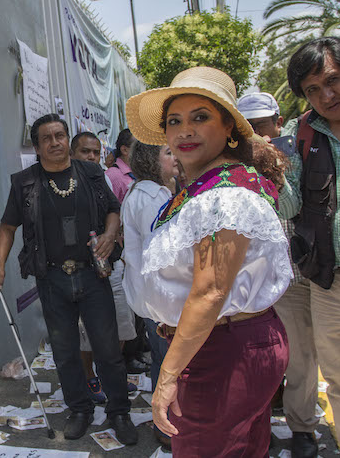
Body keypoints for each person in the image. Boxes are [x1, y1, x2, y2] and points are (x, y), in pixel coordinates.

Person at [125, 66, 291, 456]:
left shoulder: (225, 195)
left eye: (200, 117)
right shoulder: (210, 187)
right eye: (174, 121)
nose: (185, 130)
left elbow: (211, 291)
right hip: (222, 344)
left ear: (230, 128)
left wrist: (165, 378)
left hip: (221, 351)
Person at [0, 114, 137, 444]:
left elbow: (113, 210)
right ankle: (80, 409)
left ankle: (119, 412)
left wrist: (111, 234)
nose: (54, 142)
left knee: (107, 347)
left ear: (67, 139)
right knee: (66, 351)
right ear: (37, 146)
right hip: (52, 278)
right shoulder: (25, 183)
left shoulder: (92, 173)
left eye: (59, 135)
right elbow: (7, 226)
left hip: (93, 273)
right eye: (46, 138)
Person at [279, 37, 340, 457]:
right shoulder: (305, 132)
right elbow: (290, 202)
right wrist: (266, 172)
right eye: (313, 89)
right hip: (331, 287)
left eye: (333, 81)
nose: (326, 95)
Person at [237, 92, 319, 457]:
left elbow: (290, 205)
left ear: (278, 122)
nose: (259, 134)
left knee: (301, 358)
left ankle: (302, 428)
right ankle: (260, 429)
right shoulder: (235, 165)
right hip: (257, 282)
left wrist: (273, 166)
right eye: (249, 128)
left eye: (263, 125)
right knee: (261, 360)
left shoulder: (296, 156)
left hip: (300, 276)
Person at [70, 132, 137, 405]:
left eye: (95, 153)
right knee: (86, 331)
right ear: (73, 154)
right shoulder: (64, 183)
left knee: (121, 323)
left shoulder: (104, 178)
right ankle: (89, 378)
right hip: (82, 270)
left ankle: (112, 375)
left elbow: (115, 212)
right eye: (85, 152)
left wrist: (112, 237)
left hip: (111, 264)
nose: (90, 157)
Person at [121, 141, 178, 449]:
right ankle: (166, 424)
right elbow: (161, 251)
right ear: (150, 161)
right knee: (167, 361)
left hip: (153, 297)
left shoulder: (149, 192)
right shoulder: (150, 196)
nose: (175, 157)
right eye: (168, 153)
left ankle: (165, 421)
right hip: (158, 298)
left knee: (163, 359)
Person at [105, 129, 137, 203]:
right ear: (124, 150)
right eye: (138, 148)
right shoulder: (112, 176)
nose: (143, 151)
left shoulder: (138, 173)